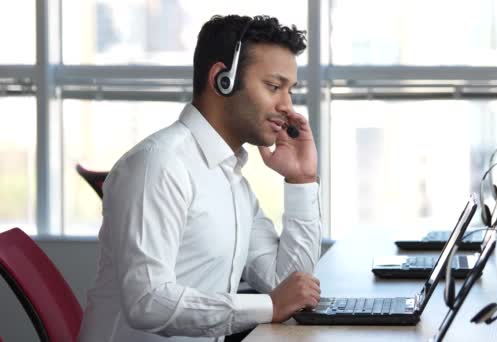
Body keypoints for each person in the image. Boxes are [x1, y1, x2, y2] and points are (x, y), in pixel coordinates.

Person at [78, 14, 322, 342]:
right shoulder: (158, 165)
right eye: (274, 87)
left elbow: (290, 284)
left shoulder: (232, 181)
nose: (288, 107)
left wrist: (302, 179)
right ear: (222, 78)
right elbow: (147, 302)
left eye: (290, 90)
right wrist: (267, 307)